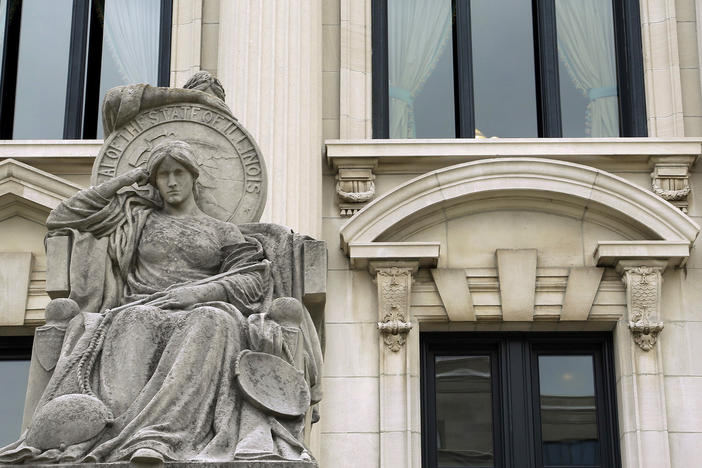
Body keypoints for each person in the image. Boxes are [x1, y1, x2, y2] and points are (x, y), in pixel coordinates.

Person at [0, 140, 321, 464]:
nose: (170, 181)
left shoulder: (222, 231)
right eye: (162, 174)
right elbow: (61, 216)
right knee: (134, 320)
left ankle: (158, 438)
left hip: (201, 308)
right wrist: (131, 177)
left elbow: (251, 278)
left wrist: (198, 293)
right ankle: (124, 433)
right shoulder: (136, 222)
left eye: (178, 172)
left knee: (214, 320)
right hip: (141, 306)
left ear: (194, 176)